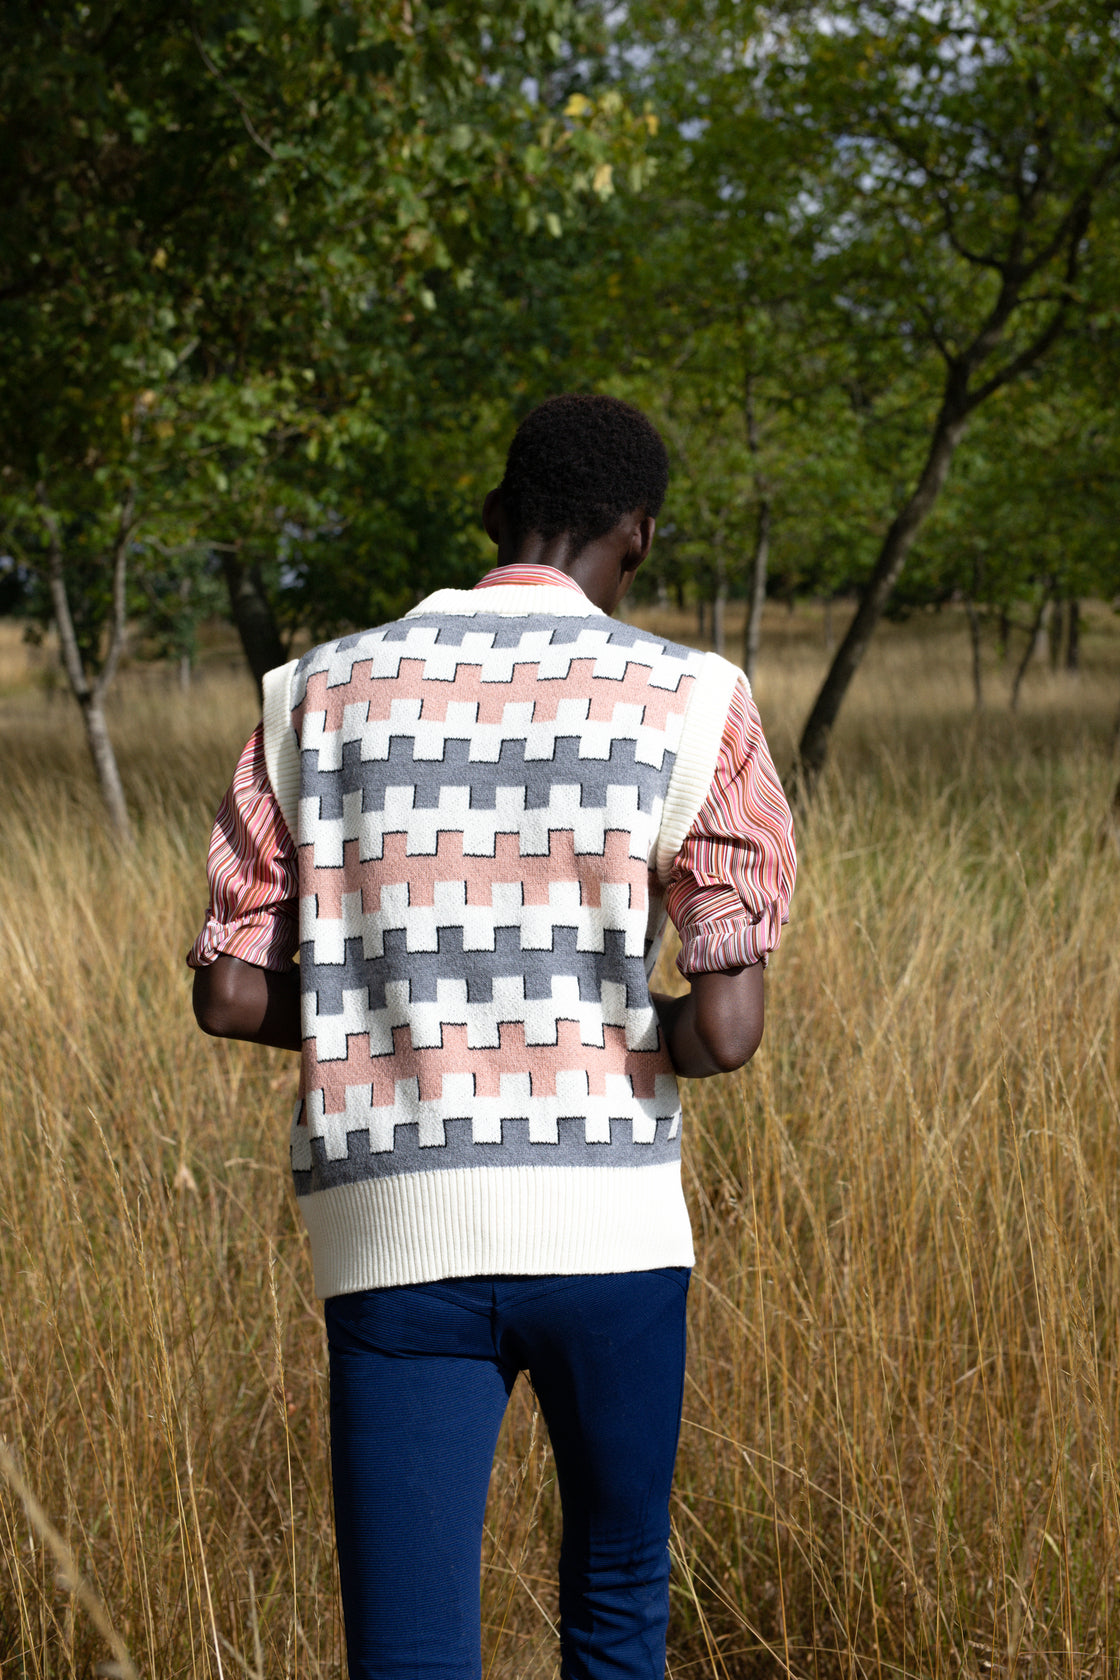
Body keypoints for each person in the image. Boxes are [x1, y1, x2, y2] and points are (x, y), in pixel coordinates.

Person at [188, 393, 796, 1680]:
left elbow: (231, 995)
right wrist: (612, 1025)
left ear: (489, 518)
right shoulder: (694, 700)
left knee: (406, 1649)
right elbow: (726, 1030)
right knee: (617, 1606)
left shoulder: (310, 695)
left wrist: (401, 1009)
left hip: (391, 1239)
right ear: (639, 537)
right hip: (613, 1237)